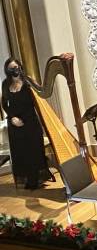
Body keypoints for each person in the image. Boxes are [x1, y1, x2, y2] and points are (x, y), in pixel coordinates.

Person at [1, 58, 49, 189]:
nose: (14, 70)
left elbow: (40, 98)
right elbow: (4, 103)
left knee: (33, 150)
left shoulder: (28, 82)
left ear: (20, 67)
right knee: (20, 152)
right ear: (7, 70)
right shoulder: (5, 84)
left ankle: (35, 179)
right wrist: (12, 117)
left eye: (16, 67)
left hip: (30, 122)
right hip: (14, 123)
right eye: (11, 68)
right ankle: (27, 178)